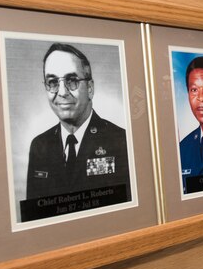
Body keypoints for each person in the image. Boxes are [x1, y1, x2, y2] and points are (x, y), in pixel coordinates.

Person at [26, 43, 129, 200]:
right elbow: (34, 215)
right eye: (53, 82)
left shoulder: (121, 140)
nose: (62, 92)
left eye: (72, 80)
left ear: (90, 88)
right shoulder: (39, 146)